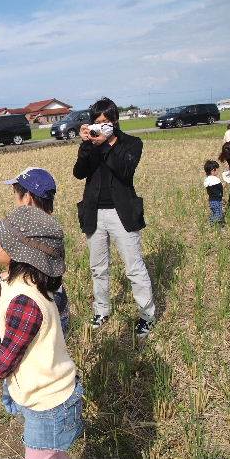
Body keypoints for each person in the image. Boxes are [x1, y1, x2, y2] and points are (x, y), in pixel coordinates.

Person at [0, 205, 83, 459]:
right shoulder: (31, 280)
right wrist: (1, 279)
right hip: (51, 396)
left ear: (19, 253)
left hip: (49, 405)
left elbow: (6, 359)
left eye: (2, 239)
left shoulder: (25, 302)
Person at [72, 97, 155, 338]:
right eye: (97, 122)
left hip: (122, 213)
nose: (102, 125)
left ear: (115, 121)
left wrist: (106, 144)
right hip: (94, 212)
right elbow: (79, 173)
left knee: (134, 268)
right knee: (98, 268)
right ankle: (101, 310)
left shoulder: (132, 143)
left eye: (106, 121)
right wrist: (88, 144)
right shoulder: (92, 145)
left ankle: (147, 315)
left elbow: (125, 170)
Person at [0, 167, 70, 336]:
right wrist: (1, 278)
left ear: (27, 197)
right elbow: (30, 267)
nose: (15, 199)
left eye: (15, 193)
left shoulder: (35, 232)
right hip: (55, 303)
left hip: (40, 310)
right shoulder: (50, 227)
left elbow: (34, 272)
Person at [203, 160, 224, 225]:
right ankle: (212, 223)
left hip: (211, 200)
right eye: (217, 170)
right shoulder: (215, 179)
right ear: (213, 171)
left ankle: (212, 223)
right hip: (217, 200)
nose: (218, 171)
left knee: (214, 212)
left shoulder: (207, 179)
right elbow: (220, 188)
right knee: (219, 215)